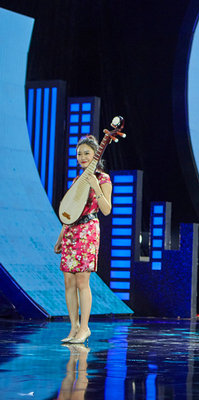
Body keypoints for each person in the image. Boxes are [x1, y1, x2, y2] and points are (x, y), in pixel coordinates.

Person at [54, 135, 112, 344]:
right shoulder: (77, 180)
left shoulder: (103, 179)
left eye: (87, 153)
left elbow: (106, 210)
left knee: (82, 281)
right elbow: (70, 212)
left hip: (88, 230)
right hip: (71, 231)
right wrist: (60, 238)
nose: (82, 157)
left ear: (96, 155)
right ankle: (74, 327)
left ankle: (85, 327)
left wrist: (96, 186)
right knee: (68, 281)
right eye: (79, 154)